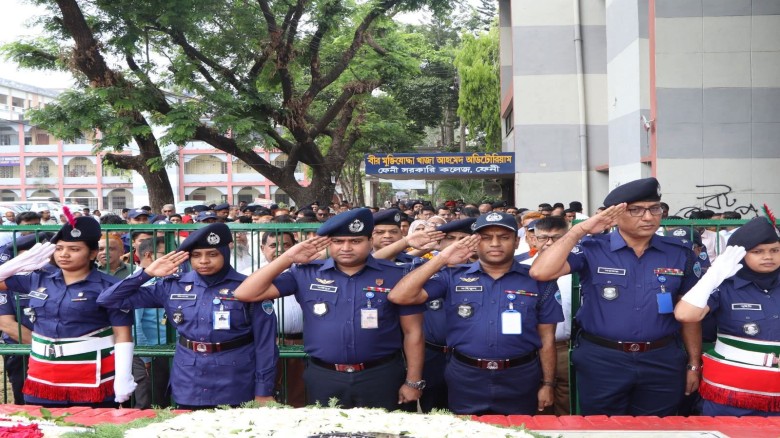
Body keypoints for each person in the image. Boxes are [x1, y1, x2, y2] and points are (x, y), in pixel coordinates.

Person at [530, 177, 702, 416]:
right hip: (603, 360)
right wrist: (580, 230)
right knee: (602, 429)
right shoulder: (592, 248)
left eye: (655, 209)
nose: (649, 217)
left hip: (661, 360)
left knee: (657, 430)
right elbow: (540, 272)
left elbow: (691, 315)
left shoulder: (679, 252)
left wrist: (694, 363)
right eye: (636, 210)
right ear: (615, 215)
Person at [234, 208, 425, 411]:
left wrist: (413, 381)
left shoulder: (396, 275)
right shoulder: (306, 273)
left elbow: (413, 332)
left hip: (381, 375)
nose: (346, 248)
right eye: (338, 241)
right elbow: (245, 293)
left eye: (355, 241)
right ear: (329, 244)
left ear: (370, 241)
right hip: (324, 376)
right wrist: (288, 258)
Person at [388, 212, 562, 415]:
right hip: (466, 375)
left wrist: (548, 384)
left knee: (519, 431)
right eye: (486, 238)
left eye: (504, 237)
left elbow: (547, 338)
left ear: (516, 242)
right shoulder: (453, 276)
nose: (495, 243)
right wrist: (442, 259)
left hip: (521, 375)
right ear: (474, 242)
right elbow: (400, 296)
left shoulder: (538, 280)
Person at [97, 223, 278, 409]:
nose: (204, 261)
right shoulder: (173, 286)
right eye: (196, 255)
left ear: (225, 253)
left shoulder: (249, 287)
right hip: (189, 378)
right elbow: (108, 299)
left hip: (235, 377)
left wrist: (263, 390)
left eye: (212, 254)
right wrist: (147, 273)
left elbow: (266, 345)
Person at [0, 216, 135, 407]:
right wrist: (17, 264)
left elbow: (122, 335)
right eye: (59, 248)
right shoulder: (38, 279)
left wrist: (123, 376)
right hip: (42, 376)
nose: (64, 254)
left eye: (74, 249)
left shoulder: (110, 286)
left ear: (92, 253)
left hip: (90, 376)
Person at [675, 216, 780, 416]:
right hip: (731, 393)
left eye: (775, 250)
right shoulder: (725, 285)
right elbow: (685, 314)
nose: (768, 257)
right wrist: (713, 276)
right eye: (758, 252)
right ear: (740, 255)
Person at [520, 216, 573, 415]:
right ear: (532, 239)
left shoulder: (579, 269)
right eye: (543, 238)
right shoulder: (521, 269)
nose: (549, 243)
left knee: (565, 405)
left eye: (556, 238)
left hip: (565, 347)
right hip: (529, 349)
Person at [0, 234, 54, 405]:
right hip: (23, 352)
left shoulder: (57, 278)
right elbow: (6, 324)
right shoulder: (8, 283)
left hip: (64, 354)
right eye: (26, 257)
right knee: (26, 406)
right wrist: (45, 348)